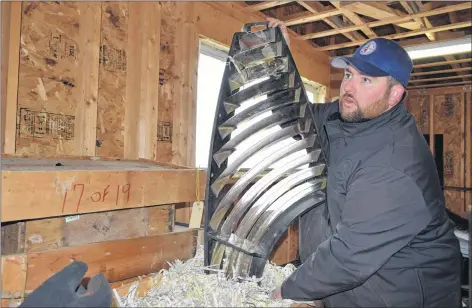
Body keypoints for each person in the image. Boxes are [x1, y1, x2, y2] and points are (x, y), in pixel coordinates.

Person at [267, 18, 462, 307]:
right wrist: (277, 56)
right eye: (349, 74)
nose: (349, 87)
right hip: (351, 286)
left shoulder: (395, 163)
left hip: (400, 295)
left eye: (366, 80)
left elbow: (349, 256)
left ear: (394, 95)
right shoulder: (348, 116)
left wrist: (284, 291)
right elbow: (296, 118)